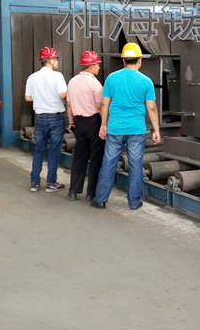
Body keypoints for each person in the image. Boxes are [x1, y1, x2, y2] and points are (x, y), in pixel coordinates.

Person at [91, 43, 161, 210]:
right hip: (136, 130)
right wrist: (156, 130)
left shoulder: (111, 78)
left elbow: (104, 104)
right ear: (140, 60)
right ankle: (134, 202)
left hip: (115, 129)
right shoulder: (146, 81)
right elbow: (151, 107)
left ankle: (100, 199)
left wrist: (103, 124)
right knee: (136, 166)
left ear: (123, 60)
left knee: (108, 163)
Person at [25, 47, 68, 193]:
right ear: (50, 60)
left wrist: (41, 98)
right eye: (55, 59)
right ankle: (51, 183)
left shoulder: (32, 77)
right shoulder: (58, 76)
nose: (57, 62)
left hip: (39, 117)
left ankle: (34, 183)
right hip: (55, 117)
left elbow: (27, 98)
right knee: (54, 151)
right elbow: (63, 95)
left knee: (39, 150)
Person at [66, 51, 105, 202]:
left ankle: (73, 191)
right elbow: (100, 106)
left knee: (79, 157)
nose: (99, 68)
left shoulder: (72, 81)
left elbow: (69, 104)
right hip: (94, 122)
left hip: (79, 123)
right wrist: (104, 124)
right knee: (96, 158)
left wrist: (71, 122)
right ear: (92, 65)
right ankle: (91, 193)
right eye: (97, 65)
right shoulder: (95, 84)